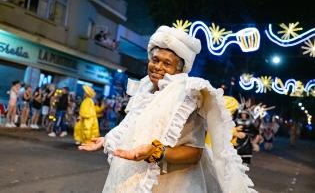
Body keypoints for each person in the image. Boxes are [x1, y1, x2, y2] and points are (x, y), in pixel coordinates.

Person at [79, 26, 256, 193]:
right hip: (130, 178)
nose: (158, 67)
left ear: (179, 69)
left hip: (169, 183)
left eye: (167, 63)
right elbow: (131, 128)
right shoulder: (145, 89)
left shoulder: (187, 96)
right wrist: (106, 140)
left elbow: (194, 153)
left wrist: (156, 152)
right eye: (155, 60)